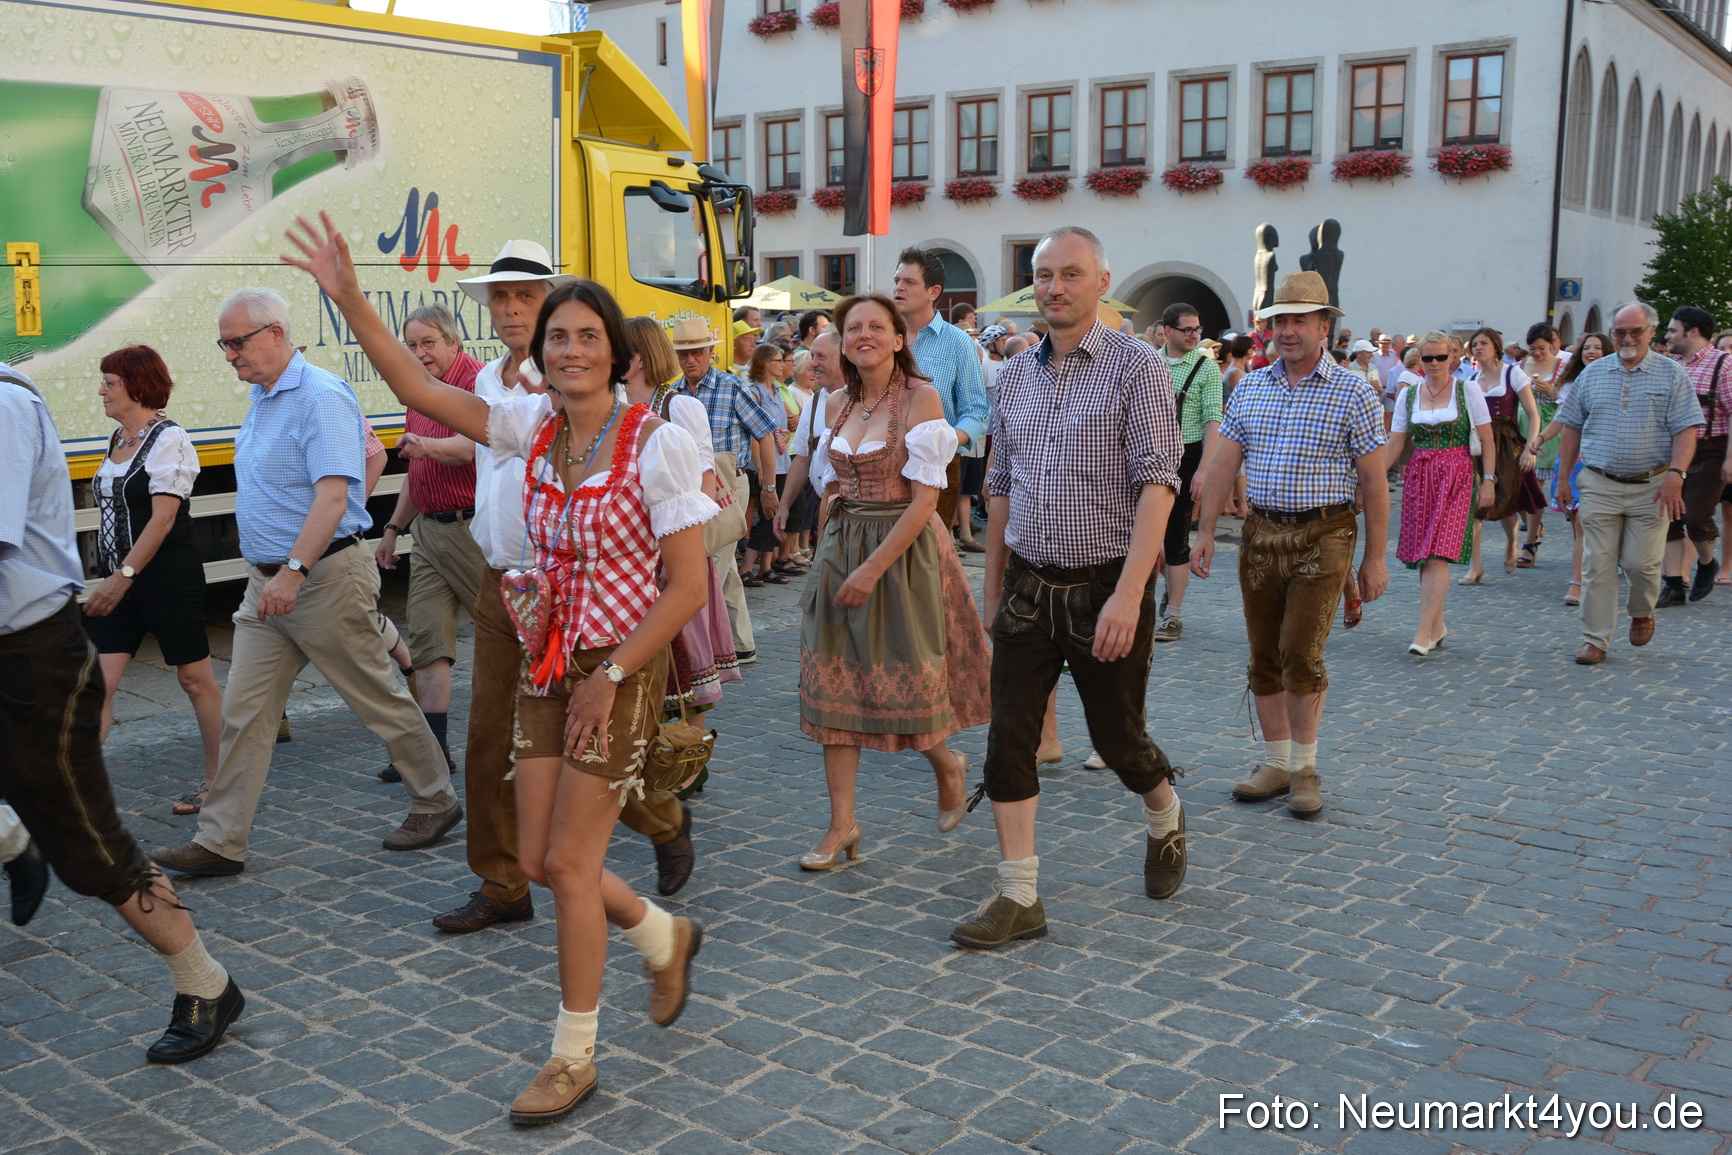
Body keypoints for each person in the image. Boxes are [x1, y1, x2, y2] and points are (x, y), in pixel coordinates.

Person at [287, 212, 715, 1127]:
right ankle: (660, 932)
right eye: (556, 336)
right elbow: (417, 384)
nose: (567, 349)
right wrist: (350, 297)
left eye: (584, 336)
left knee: (566, 861)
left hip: (619, 666)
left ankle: (572, 1056)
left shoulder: (655, 443)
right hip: (547, 660)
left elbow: (684, 587)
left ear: (616, 350)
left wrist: (615, 673)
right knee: (531, 857)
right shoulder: (531, 426)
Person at [152, 289, 461, 877]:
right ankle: (220, 841)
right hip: (266, 586)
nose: (229, 355)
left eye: (236, 342)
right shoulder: (264, 396)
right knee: (244, 713)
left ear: (275, 333)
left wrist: (297, 568)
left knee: (378, 698)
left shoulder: (319, 396)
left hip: (318, 582)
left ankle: (436, 799)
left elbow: (334, 493)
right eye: (224, 343)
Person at [2, 363, 244, 1064]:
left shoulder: (5, 406)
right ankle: (13, 834)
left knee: (95, 853)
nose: (102, 391)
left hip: (31, 656)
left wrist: (126, 576)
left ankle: (207, 982)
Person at [952, 226, 1185, 951]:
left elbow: (1158, 485)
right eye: (1043, 274)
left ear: (1101, 281)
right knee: (1007, 742)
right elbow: (999, 489)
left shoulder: (1137, 367)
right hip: (1028, 583)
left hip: (1105, 585)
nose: (1054, 287)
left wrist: (1129, 593)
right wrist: (991, 587)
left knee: (1118, 741)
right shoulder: (1015, 375)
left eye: (1070, 274)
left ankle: (1165, 812)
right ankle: (1019, 895)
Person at [796, 293, 992, 872]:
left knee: (903, 680)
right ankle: (841, 823)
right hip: (842, 545)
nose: (864, 336)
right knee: (834, 685)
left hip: (903, 554)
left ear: (898, 339)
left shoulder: (921, 398)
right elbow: (825, 479)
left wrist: (871, 567)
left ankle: (947, 765)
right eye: (854, 327)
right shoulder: (833, 399)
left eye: (877, 327)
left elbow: (927, 499)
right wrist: (830, 540)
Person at [1190, 271, 1389, 820]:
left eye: (1300, 319)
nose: (1289, 330)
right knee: (1263, 654)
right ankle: (1275, 762)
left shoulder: (1353, 389)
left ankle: (1304, 768)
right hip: (1261, 533)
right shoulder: (1252, 385)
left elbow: (1373, 481)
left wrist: (1374, 558)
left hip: (1325, 533)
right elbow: (1224, 461)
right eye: (1280, 320)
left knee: (1301, 651)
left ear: (1325, 326)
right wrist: (1206, 530)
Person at [82, 346, 222, 815]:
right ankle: (82, 785)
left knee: (194, 678)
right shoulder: (117, 439)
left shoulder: (170, 439)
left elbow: (162, 520)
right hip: (121, 580)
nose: (101, 391)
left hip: (166, 577)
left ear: (137, 385)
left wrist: (121, 576)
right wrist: (115, 576)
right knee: (99, 682)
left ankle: (217, 779)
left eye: (110, 383)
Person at [374, 303, 487, 782]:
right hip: (427, 532)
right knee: (427, 642)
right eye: (412, 345)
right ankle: (433, 754)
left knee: (509, 637)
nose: (420, 353)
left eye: (429, 343)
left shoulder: (478, 381)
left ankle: (534, 739)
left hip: (472, 531)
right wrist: (393, 529)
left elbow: (477, 445)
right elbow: (415, 469)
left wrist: (427, 447)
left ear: (454, 342)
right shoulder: (416, 389)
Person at [1553, 303, 1701, 664]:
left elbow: (1687, 430)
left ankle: (1641, 609)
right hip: (1599, 483)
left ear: (1651, 332)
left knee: (1640, 564)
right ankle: (1595, 639)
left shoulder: (1672, 375)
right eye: (1619, 332)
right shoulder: (1593, 373)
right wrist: (1562, 480)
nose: (1627, 339)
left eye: (1635, 331)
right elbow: (1571, 426)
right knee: (1597, 563)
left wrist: (1675, 476)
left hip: (1651, 487)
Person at [672, 317, 782, 664]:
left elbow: (764, 433)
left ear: (710, 352)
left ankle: (698, 652)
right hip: (692, 486)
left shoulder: (731, 386)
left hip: (729, 482)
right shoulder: (672, 392)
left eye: (697, 352)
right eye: (684, 353)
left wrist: (767, 486)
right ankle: (742, 643)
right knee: (724, 566)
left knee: (713, 566)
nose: (691, 359)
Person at [1384, 332, 1495, 654]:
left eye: (1440, 358)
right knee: (1424, 553)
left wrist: (1488, 480)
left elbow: (1487, 440)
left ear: (1453, 357)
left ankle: (1422, 631)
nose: (1434, 364)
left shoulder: (1467, 389)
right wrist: (1372, 479)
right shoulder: (1410, 395)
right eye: (1428, 358)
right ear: (1420, 360)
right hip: (1420, 475)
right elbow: (1396, 442)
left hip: (1457, 474)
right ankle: (1437, 624)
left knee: (1436, 552)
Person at [890, 248, 990, 540]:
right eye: (897, 279)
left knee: (929, 556)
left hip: (938, 465)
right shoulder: (883, 336)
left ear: (933, 291)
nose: (898, 287)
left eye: (909, 282)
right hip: (883, 460)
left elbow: (977, 409)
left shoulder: (958, 342)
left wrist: (947, 441)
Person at [1151, 303, 1223, 644]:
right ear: (1167, 331)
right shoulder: (1150, 362)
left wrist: (1204, 470)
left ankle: (1174, 615)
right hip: (1149, 455)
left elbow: (1214, 419)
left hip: (1186, 456)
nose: (1195, 335)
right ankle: (1150, 597)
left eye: (1197, 329)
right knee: (1145, 536)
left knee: (1176, 538)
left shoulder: (1207, 369)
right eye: (1188, 329)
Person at [1656, 306, 1731, 605]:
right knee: (1669, 516)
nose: (1667, 335)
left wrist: (1730, 459)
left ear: (1693, 332)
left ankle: (1707, 562)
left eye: (1673, 330)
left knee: (1697, 515)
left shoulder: (1724, 364)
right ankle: (1673, 584)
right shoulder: (1668, 364)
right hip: (1671, 449)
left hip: (1712, 449)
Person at [1528, 332, 1608, 605]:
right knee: (1579, 524)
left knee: (1593, 525)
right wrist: (1540, 437)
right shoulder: (1572, 383)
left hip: (1606, 459)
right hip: (1575, 459)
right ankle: (1580, 577)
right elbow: (1562, 418)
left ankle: (1589, 576)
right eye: (1588, 347)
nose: (1592, 351)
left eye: (1598, 347)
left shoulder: (1616, 379)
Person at [1458, 327, 1543, 583]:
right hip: (1477, 446)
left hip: (1507, 445)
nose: (1478, 348)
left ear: (1496, 346)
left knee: (1506, 505)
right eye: (1474, 345)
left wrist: (1530, 447)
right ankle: (1475, 566)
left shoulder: (1512, 373)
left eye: (1483, 343)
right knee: (1474, 505)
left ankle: (1512, 542)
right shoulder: (1471, 381)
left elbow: (1533, 414)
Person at [739, 344, 797, 587]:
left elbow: (787, 422)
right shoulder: (755, 393)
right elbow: (754, 434)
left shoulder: (776, 391)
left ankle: (765, 567)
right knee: (765, 518)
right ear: (764, 363)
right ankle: (746, 568)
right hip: (766, 464)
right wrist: (762, 468)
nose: (782, 364)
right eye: (777, 360)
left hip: (782, 461)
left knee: (775, 517)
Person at [1520, 323, 1568, 568]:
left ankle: (1529, 543)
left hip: (1550, 428)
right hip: (1522, 425)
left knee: (1535, 486)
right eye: (1532, 349)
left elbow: (1570, 400)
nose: (1536, 353)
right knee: (1520, 486)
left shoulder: (1563, 367)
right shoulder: (1520, 366)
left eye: (1541, 348)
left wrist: (1551, 391)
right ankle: (1533, 525)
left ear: (1552, 344)